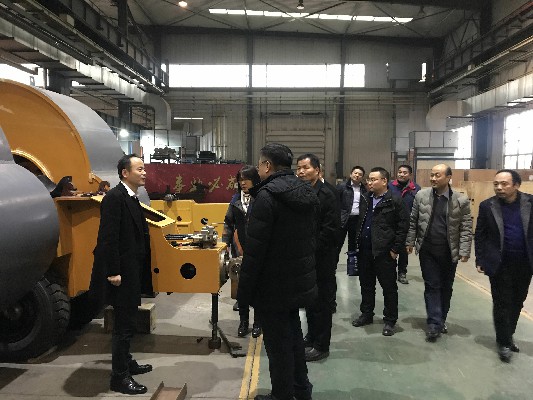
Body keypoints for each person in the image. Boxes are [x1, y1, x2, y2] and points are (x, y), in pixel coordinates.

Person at [238, 143, 319, 400]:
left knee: (278, 345)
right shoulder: (305, 191)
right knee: (293, 338)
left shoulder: (267, 196)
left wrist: (244, 292)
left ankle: (282, 395)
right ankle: (301, 389)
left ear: (267, 165)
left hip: (272, 286)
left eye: (260, 164)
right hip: (296, 280)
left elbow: (255, 250)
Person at [89, 154, 153, 395]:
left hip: (131, 270)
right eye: (139, 169)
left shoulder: (131, 197)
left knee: (129, 320)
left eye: (144, 169)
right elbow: (108, 238)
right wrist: (114, 271)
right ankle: (119, 377)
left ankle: (127, 362)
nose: (144, 173)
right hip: (121, 273)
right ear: (125, 173)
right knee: (123, 326)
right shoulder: (114, 198)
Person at [406, 164, 472, 342]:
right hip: (427, 250)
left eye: (437, 175)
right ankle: (434, 324)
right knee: (432, 285)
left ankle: (441, 319)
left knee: (446, 287)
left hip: (449, 251)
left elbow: (466, 227)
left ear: (449, 177)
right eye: (432, 175)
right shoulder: (421, 196)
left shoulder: (461, 200)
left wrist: (464, 250)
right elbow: (413, 221)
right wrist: (410, 241)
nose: (433, 178)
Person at [475, 169, 533, 362]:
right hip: (499, 263)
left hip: (524, 263)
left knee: (517, 301)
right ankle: (504, 342)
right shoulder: (487, 206)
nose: (499, 187)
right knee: (501, 302)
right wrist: (480, 259)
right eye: (496, 184)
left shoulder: (530, 203)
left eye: (504, 184)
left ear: (516, 185)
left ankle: (508, 334)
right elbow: (480, 234)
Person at [351, 167, 408, 336]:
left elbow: (403, 226)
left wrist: (395, 249)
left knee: (388, 288)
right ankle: (367, 314)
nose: (369, 182)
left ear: (384, 181)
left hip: (384, 252)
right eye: (368, 179)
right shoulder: (366, 198)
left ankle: (390, 320)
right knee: (366, 285)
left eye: (373, 179)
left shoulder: (395, 200)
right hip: (365, 250)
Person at [296, 154, 340, 362]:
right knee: (310, 300)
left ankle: (321, 345)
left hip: (322, 257)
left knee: (322, 302)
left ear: (318, 170)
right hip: (306, 257)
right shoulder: (302, 192)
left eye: (306, 168)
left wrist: (311, 249)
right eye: (299, 168)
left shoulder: (328, 194)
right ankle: (311, 337)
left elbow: (330, 229)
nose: (301, 172)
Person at [222, 165, 262, 338]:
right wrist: (225, 243)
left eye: (246, 179)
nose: (243, 183)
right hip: (239, 247)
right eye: (240, 180)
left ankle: (258, 323)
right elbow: (228, 223)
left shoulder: (261, 198)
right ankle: (243, 322)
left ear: (255, 180)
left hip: (258, 248)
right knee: (242, 287)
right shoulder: (235, 200)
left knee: (258, 287)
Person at [388, 165, 421, 284]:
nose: (401, 174)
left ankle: (402, 273)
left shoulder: (415, 188)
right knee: (390, 247)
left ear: (410, 175)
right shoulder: (389, 186)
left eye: (405, 172)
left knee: (404, 249)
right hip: (391, 222)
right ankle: (390, 272)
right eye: (400, 172)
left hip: (407, 223)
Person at [337, 166, 367, 274]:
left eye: (360, 174)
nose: (357, 175)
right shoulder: (342, 187)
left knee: (353, 244)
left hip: (357, 220)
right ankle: (332, 266)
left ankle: (351, 268)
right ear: (351, 174)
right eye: (355, 173)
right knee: (337, 243)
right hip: (343, 219)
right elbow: (335, 202)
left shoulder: (364, 189)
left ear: (362, 177)